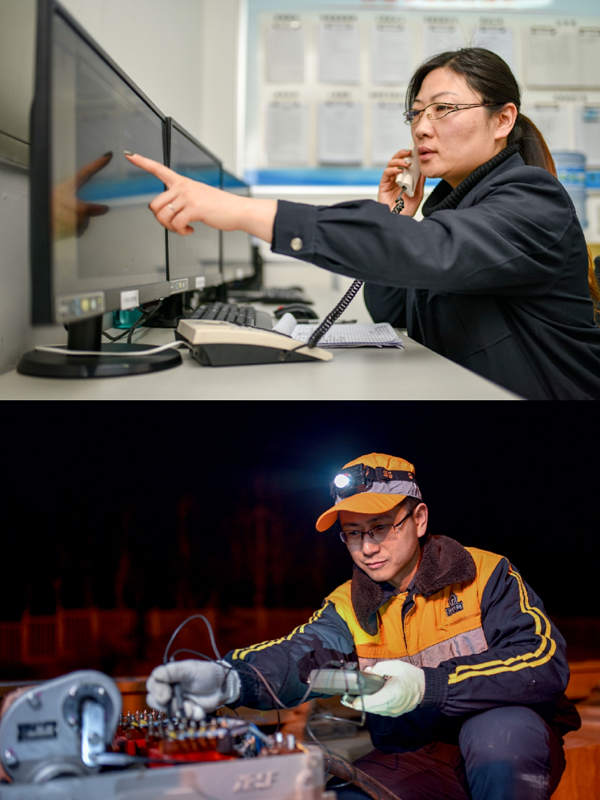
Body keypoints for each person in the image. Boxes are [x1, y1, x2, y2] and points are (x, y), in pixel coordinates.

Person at [124, 47, 600, 400]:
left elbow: (433, 253)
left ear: (503, 120)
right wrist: (396, 213)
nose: (421, 127)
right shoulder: (454, 210)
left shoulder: (533, 199)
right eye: (415, 113)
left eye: (444, 109)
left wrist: (241, 212)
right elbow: (393, 311)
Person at [146, 452, 580, 800]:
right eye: (353, 534)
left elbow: (542, 663)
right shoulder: (348, 604)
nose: (367, 548)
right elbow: (301, 654)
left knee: (498, 735)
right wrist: (230, 679)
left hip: (505, 740)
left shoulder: (485, 574)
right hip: (414, 752)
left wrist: (427, 687)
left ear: (420, 519)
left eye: (380, 528)